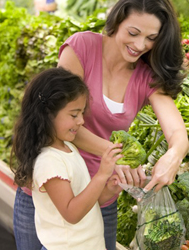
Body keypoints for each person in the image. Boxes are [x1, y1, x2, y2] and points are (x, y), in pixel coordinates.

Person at [12, 0, 189, 249]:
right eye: (133, 33)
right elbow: (59, 120)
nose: (140, 45)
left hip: (101, 192)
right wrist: (116, 156)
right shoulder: (82, 47)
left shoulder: (147, 76)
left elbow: (177, 131)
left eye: (151, 38)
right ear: (117, 21)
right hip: (48, 190)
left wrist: (174, 156)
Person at [10, 67, 123, 250]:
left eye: (81, 113)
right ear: (47, 114)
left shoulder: (68, 148)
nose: (81, 121)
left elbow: (85, 205)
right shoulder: (49, 162)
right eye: (74, 114)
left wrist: (109, 190)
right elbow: (72, 213)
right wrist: (101, 175)